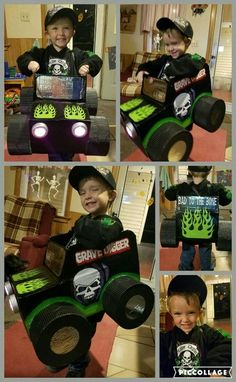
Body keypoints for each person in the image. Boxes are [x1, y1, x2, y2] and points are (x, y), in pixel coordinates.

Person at [47, 166, 123, 377]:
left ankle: (78, 363)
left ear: (112, 195)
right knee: (62, 321)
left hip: (91, 293)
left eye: (94, 189)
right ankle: (63, 352)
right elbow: (69, 238)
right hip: (71, 284)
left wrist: (80, 227)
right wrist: (50, 241)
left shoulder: (111, 224)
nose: (87, 195)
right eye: (82, 192)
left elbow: (98, 235)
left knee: (81, 331)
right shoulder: (83, 221)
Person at [17, 6, 103, 161]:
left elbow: (95, 58)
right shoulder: (40, 53)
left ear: (73, 32)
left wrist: (88, 65)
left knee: (71, 138)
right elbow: (23, 58)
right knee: (51, 140)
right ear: (47, 33)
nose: (61, 33)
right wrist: (30, 63)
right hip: (46, 104)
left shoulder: (77, 54)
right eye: (55, 28)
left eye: (66, 28)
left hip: (72, 105)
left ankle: (68, 155)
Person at [160, 275, 232, 377]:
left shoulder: (207, 334)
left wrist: (216, 367)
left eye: (191, 313)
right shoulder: (165, 339)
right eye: (178, 313)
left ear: (199, 313)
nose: (185, 320)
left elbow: (228, 345)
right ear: (171, 314)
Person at [164, 166, 232, 270]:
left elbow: (168, 194)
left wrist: (179, 186)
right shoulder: (215, 188)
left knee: (187, 249)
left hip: (187, 230)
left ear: (189, 171)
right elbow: (227, 199)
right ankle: (206, 269)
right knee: (205, 250)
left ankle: (185, 268)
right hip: (207, 231)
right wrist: (222, 189)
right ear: (209, 171)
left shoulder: (182, 188)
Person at [135, 16, 205, 84]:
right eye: (167, 44)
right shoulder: (164, 59)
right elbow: (145, 65)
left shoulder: (190, 59)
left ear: (187, 43)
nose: (170, 49)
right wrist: (141, 72)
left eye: (174, 43)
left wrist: (169, 68)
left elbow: (199, 62)